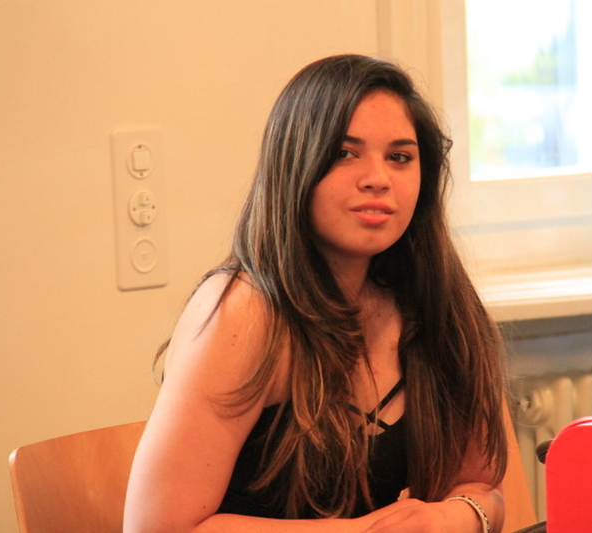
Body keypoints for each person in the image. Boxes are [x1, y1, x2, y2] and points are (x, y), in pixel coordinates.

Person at [124, 54, 509, 533]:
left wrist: (452, 517)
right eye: (345, 153)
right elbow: (158, 528)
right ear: (295, 166)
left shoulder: (431, 297)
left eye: (399, 157)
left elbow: (482, 487)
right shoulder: (243, 310)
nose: (378, 178)